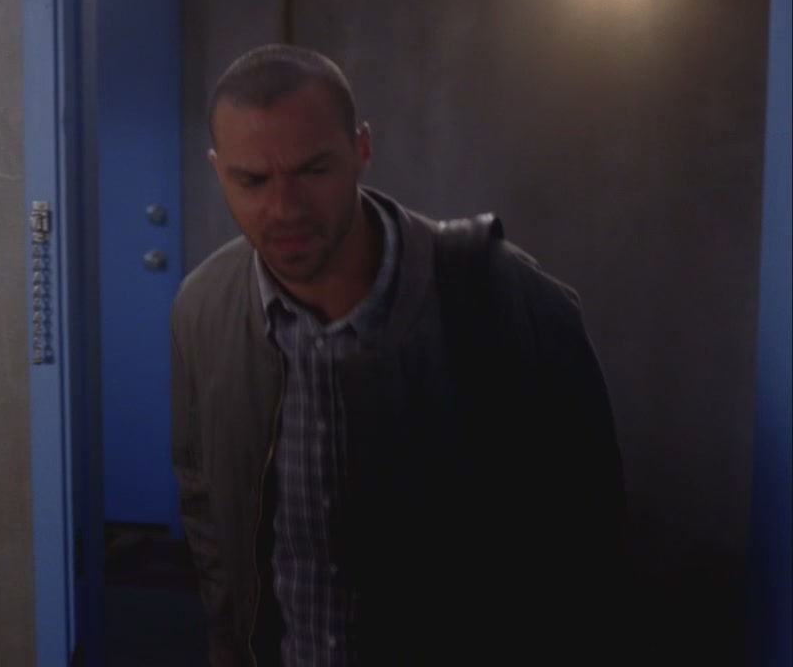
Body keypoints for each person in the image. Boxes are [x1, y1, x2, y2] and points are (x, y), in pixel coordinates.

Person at [171, 43, 627, 666]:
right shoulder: (202, 310)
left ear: (361, 149)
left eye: (313, 170)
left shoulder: (502, 297)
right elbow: (205, 506)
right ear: (218, 170)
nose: (284, 209)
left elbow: (589, 538)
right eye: (252, 180)